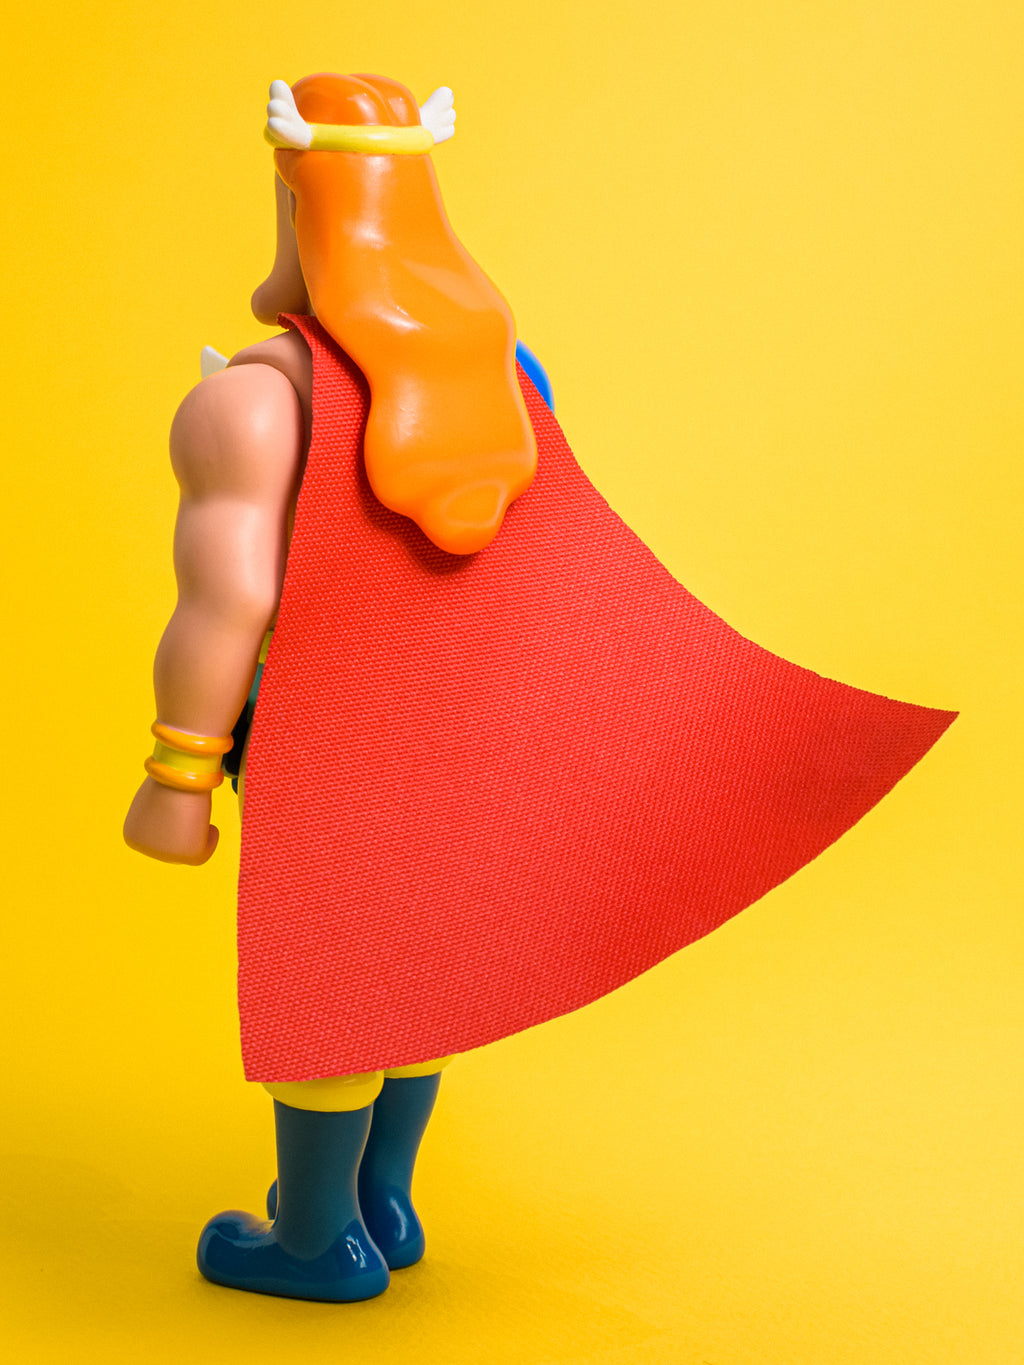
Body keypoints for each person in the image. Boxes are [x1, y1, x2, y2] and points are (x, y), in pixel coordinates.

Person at [124, 72, 955, 1303]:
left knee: (331, 975)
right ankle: (385, 1200)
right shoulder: (509, 380)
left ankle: (316, 1240)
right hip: (465, 732)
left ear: (296, 207)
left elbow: (225, 602)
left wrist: (177, 774)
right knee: (423, 963)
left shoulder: (252, 404)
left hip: (324, 743)